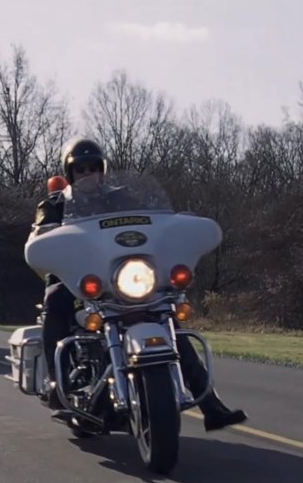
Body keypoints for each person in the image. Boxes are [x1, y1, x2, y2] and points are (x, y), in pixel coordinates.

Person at [32, 137, 248, 432]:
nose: (88, 174)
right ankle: (58, 385)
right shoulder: (55, 203)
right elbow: (39, 239)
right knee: (55, 301)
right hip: (77, 281)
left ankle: (211, 405)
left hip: (125, 277)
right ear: (70, 173)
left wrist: (177, 224)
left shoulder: (122, 197)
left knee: (166, 319)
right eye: (81, 169)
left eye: (94, 167)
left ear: (103, 169)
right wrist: (43, 233)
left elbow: (152, 224)